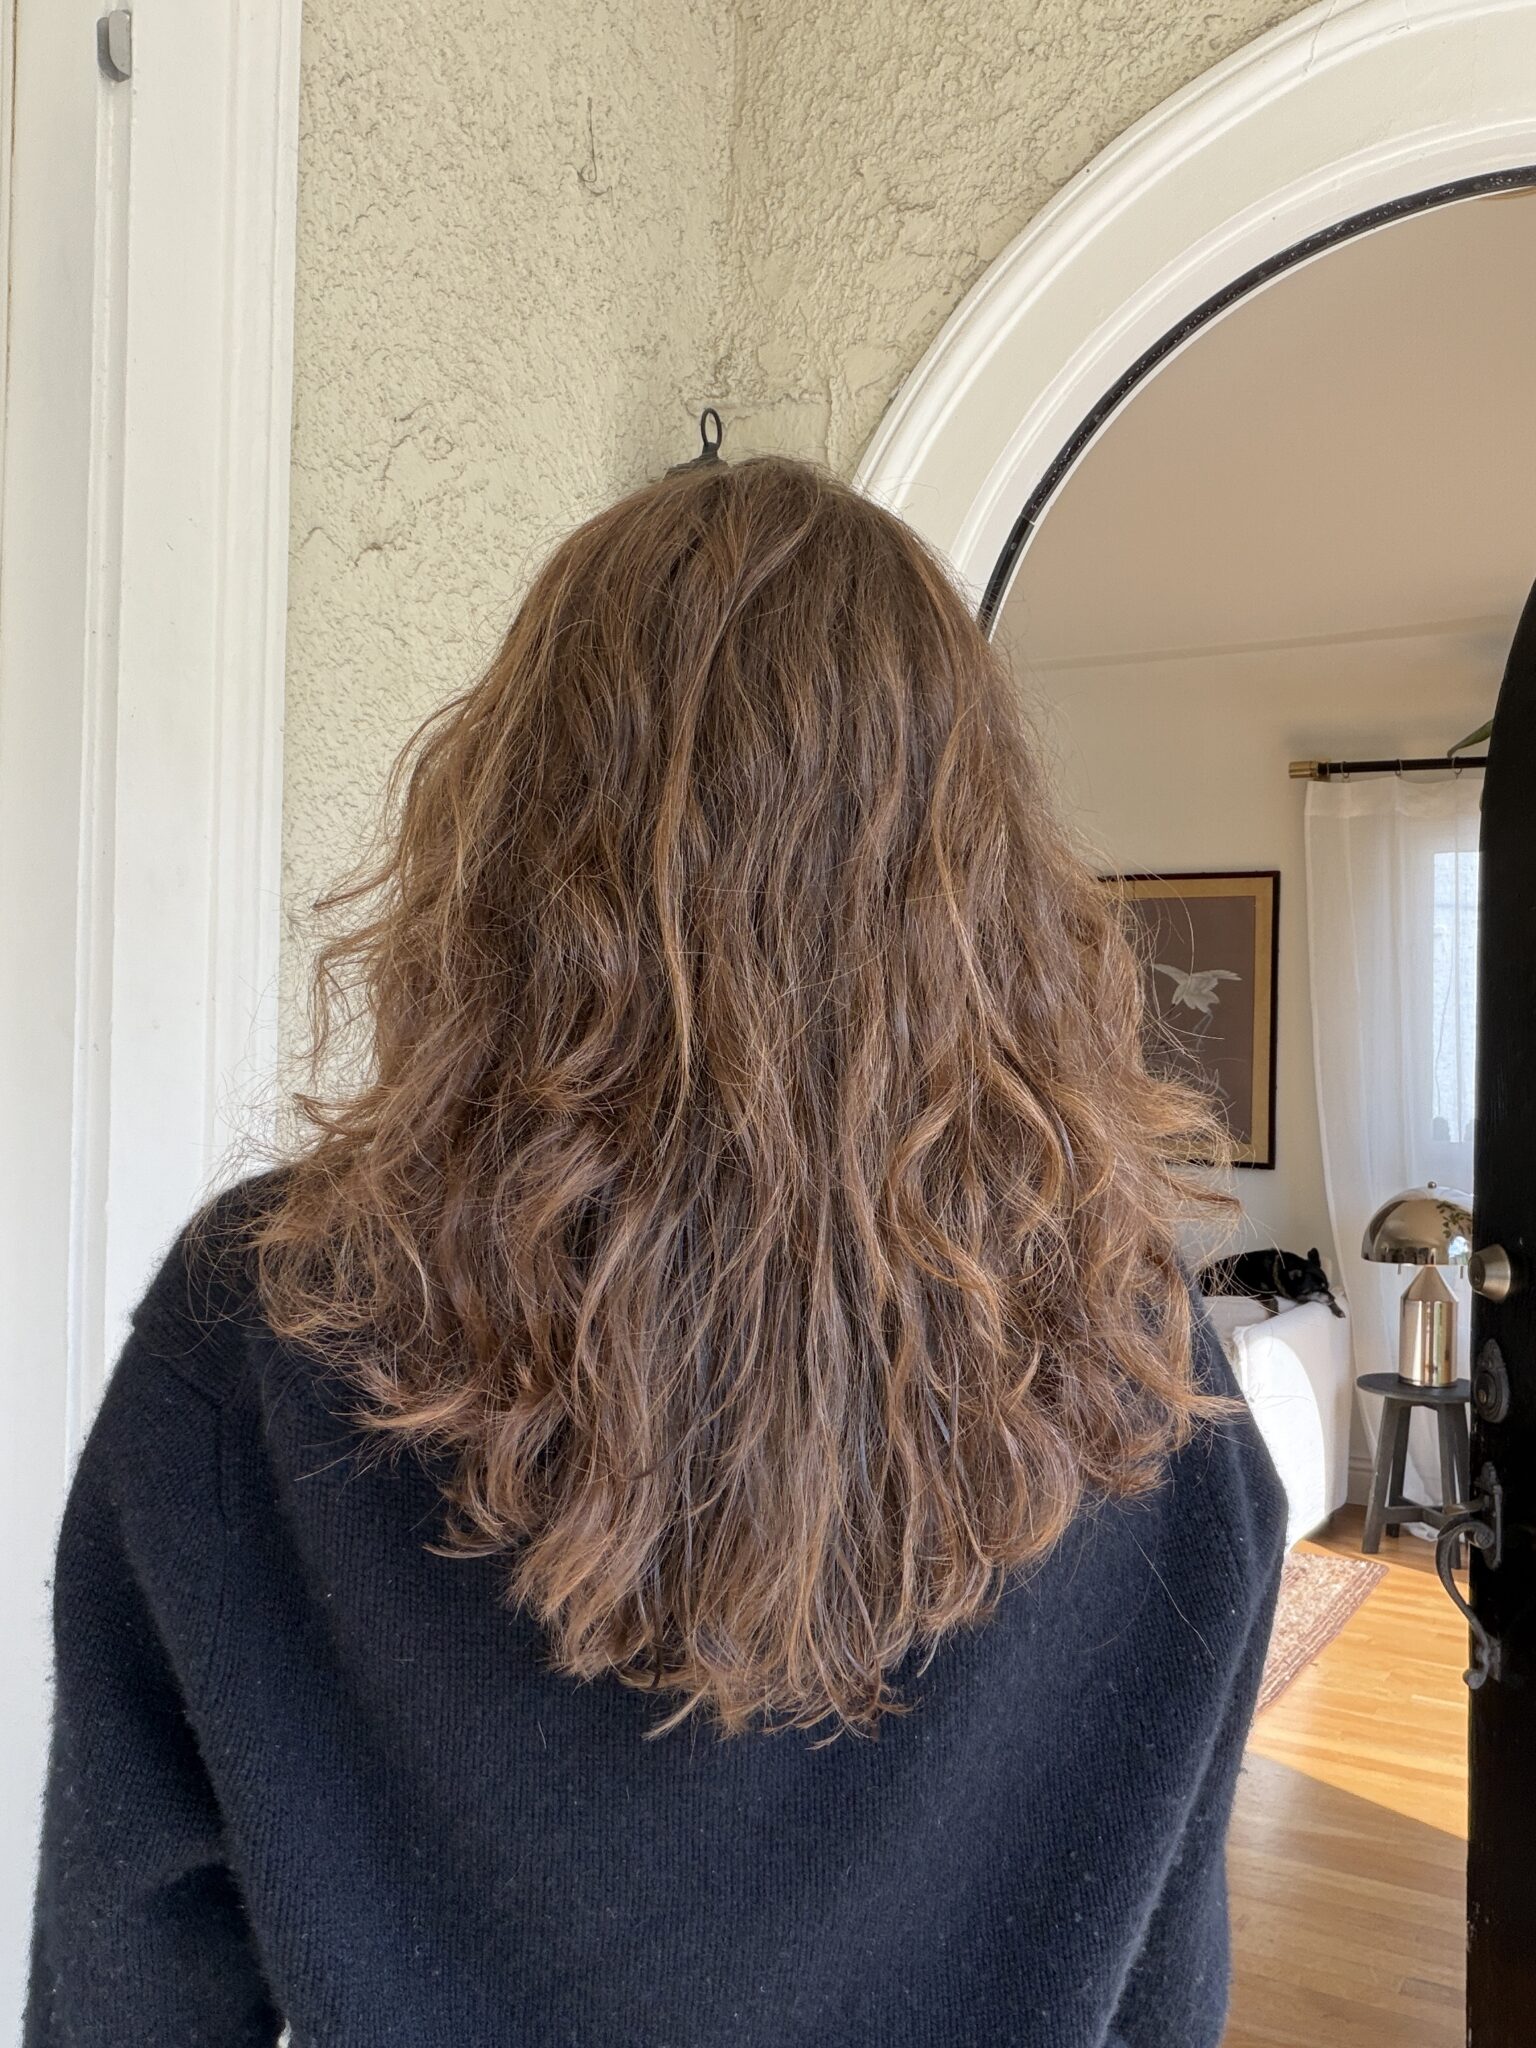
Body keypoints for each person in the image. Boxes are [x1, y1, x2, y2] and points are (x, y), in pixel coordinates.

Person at [26, 455, 1284, 2048]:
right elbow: (1161, 2014)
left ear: (501, 846)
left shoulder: (265, 1317)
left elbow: (122, 1993)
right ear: (982, 891)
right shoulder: (1135, 1367)